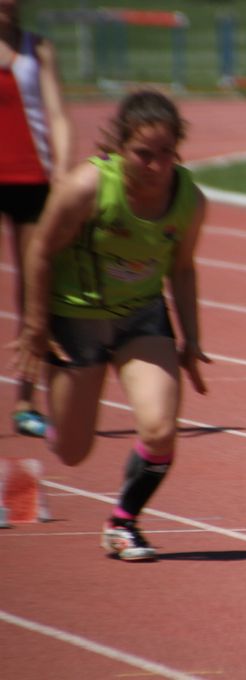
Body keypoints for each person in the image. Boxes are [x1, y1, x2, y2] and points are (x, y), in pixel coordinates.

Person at [12, 90, 210, 561]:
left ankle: (123, 523)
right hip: (76, 318)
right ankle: (63, 404)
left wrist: (192, 339)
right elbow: (39, 251)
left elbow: (182, 268)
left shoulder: (189, 200)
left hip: (142, 316)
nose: (156, 166)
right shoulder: (87, 188)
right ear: (119, 146)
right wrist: (37, 326)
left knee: (161, 428)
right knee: (73, 452)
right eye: (144, 154)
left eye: (166, 154)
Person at [1, 0, 72, 437]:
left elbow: (58, 114)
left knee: (35, 290)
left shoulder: (37, 47)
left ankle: (27, 400)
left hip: (31, 175)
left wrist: (63, 167)